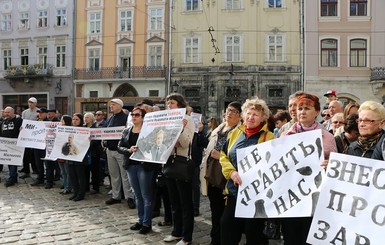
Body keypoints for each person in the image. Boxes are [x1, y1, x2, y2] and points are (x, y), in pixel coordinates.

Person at [280, 93, 337, 245]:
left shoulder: (327, 137)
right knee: (291, 237)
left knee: (310, 237)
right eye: (300, 108)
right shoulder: (285, 135)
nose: (302, 112)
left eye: (307, 108)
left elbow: (336, 168)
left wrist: (329, 165)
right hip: (291, 198)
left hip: (316, 198)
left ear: (317, 112)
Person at [219, 98, 273, 245]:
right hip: (234, 191)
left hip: (256, 195)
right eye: (248, 113)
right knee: (227, 228)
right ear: (243, 115)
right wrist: (231, 173)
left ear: (263, 118)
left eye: (255, 114)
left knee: (253, 233)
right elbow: (224, 156)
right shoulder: (235, 133)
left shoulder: (269, 137)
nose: (251, 117)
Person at [200, 101, 243, 245]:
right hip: (213, 173)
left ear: (240, 116)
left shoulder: (240, 131)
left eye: (234, 112)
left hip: (227, 176)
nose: (229, 113)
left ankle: (226, 239)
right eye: (228, 110)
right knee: (215, 210)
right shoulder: (217, 130)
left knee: (226, 216)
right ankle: (215, 239)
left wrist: (221, 156)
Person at [163, 93, 195, 245]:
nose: (169, 105)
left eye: (173, 103)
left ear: (180, 105)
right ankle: (176, 232)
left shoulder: (187, 120)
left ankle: (187, 236)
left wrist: (181, 129)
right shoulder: (166, 120)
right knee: (173, 201)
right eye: (168, 103)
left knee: (185, 203)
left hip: (181, 163)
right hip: (169, 162)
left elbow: (185, 143)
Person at [117, 107, 155, 235]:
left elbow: (154, 146)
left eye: (137, 115)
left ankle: (147, 223)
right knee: (137, 195)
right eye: (132, 115)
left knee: (146, 195)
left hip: (144, 166)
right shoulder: (127, 130)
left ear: (143, 117)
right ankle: (140, 220)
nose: (134, 117)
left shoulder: (149, 131)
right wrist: (128, 150)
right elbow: (119, 146)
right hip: (131, 165)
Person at [104, 98, 135, 208]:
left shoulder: (126, 118)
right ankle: (116, 196)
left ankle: (129, 197)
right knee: (114, 175)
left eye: (113, 104)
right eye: (110, 104)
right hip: (110, 150)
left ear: (120, 106)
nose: (111, 106)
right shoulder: (110, 118)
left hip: (120, 151)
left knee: (125, 175)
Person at [67, 113, 88, 201]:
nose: (74, 121)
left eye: (77, 119)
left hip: (80, 157)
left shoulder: (85, 130)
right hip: (70, 156)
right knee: (72, 175)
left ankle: (81, 194)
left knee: (80, 176)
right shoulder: (68, 130)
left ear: (81, 120)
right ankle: (75, 192)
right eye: (73, 119)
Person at [1, 107, 23, 187]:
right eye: (5, 112)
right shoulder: (3, 121)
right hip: (4, 145)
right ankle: (13, 177)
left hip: (14, 145)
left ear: (13, 112)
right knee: (6, 161)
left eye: (8, 112)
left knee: (13, 162)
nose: (6, 114)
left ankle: (12, 179)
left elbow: (24, 129)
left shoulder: (18, 120)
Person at [20, 97, 39, 179]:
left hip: (35, 135)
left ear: (35, 103)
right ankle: (26, 171)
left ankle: (36, 169)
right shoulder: (24, 112)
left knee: (35, 154)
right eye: (29, 102)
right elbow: (23, 122)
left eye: (32, 102)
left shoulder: (38, 111)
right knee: (25, 154)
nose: (30, 104)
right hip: (26, 135)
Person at [84, 112, 102, 194]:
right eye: (85, 117)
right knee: (85, 171)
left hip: (94, 152)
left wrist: (91, 141)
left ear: (91, 118)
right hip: (85, 152)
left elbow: (98, 141)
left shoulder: (96, 128)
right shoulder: (83, 127)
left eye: (87, 117)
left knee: (95, 171)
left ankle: (95, 187)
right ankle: (86, 187)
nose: (85, 119)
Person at [31, 107, 49, 187]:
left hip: (46, 147)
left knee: (48, 165)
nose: (40, 114)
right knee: (38, 164)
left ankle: (49, 181)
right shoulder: (36, 122)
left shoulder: (49, 122)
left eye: (41, 113)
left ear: (46, 113)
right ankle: (40, 178)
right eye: (39, 113)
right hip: (36, 146)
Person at [58, 115, 72, 195]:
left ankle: (68, 187)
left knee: (67, 172)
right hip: (60, 153)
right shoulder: (59, 129)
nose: (61, 122)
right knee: (63, 171)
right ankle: (65, 185)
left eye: (62, 120)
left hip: (67, 154)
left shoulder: (70, 130)